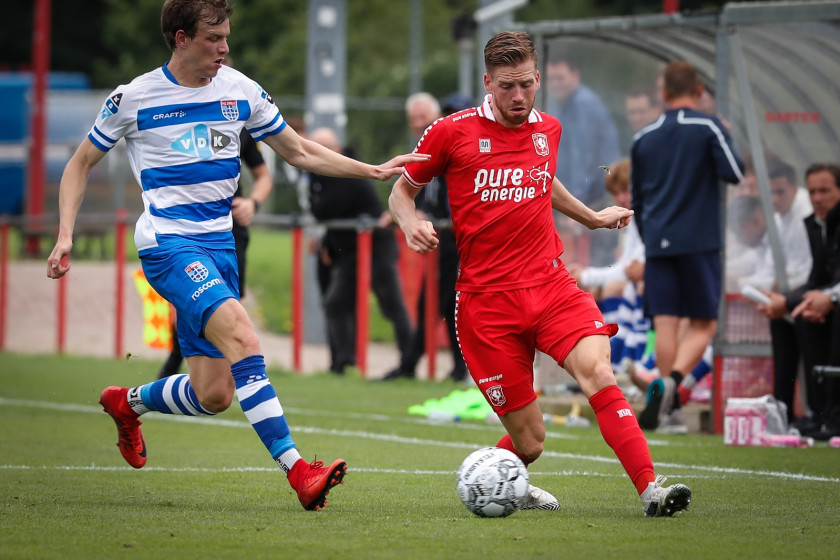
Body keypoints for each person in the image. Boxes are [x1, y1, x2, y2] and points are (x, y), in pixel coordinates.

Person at [45, 0, 427, 511]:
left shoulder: (241, 91)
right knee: (246, 338)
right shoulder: (132, 98)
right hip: (168, 246)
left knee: (215, 395)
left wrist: (374, 171)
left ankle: (127, 402)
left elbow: (300, 151)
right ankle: (299, 471)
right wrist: (65, 233)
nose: (225, 48)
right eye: (213, 39)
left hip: (220, 246)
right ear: (180, 38)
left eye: (227, 37)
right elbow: (80, 163)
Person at [389, 31, 691, 517]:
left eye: (526, 85)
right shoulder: (451, 132)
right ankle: (502, 475)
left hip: (551, 287)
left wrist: (591, 217)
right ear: (488, 82)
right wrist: (410, 222)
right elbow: (401, 191)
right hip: (487, 305)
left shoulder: (548, 128)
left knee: (597, 371)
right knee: (531, 442)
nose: (518, 96)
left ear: (537, 79)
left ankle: (651, 491)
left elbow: (542, 178)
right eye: (506, 86)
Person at [631, 60, 745, 431]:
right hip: (698, 241)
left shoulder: (643, 137)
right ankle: (672, 384)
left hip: (658, 244)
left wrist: (651, 241)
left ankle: (668, 409)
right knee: (703, 324)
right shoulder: (708, 126)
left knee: (665, 324)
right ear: (699, 91)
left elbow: (639, 198)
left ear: (663, 94)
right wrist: (724, 135)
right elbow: (735, 171)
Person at [306, 127, 414, 376]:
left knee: (390, 302)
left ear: (337, 150)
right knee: (337, 302)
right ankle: (344, 361)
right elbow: (325, 213)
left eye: (324, 149)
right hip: (351, 250)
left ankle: (409, 362)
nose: (319, 155)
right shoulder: (317, 176)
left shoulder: (344, 174)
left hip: (375, 245)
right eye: (316, 149)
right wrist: (328, 244)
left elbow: (326, 209)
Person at [382, 92, 468, 381]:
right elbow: (416, 192)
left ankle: (410, 364)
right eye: (415, 120)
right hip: (442, 235)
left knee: (436, 302)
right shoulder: (431, 148)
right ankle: (456, 368)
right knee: (442, 303)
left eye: (426, 118)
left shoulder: (459, 148)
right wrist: (403, 213)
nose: (421, 124)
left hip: (455, 237)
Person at [758, 163, 840, 438]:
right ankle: (797, 413)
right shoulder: (817, 224)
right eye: (814, 191)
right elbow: (817, 279)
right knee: (791, 316)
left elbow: (826, 286)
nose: (817, 198)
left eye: (825, 191)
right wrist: (788, 301)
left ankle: (833, 415)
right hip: (832, 298)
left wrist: (828, 297)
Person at [545, 47, 621, 268]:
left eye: (561, 78)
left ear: (575, 76)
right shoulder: (559, 105)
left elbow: (585, 162)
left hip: (598, 199)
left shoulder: (584, 105)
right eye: (551, 79)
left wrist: (572, 205)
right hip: (580, 200)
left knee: (596, 267)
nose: (556, 84)